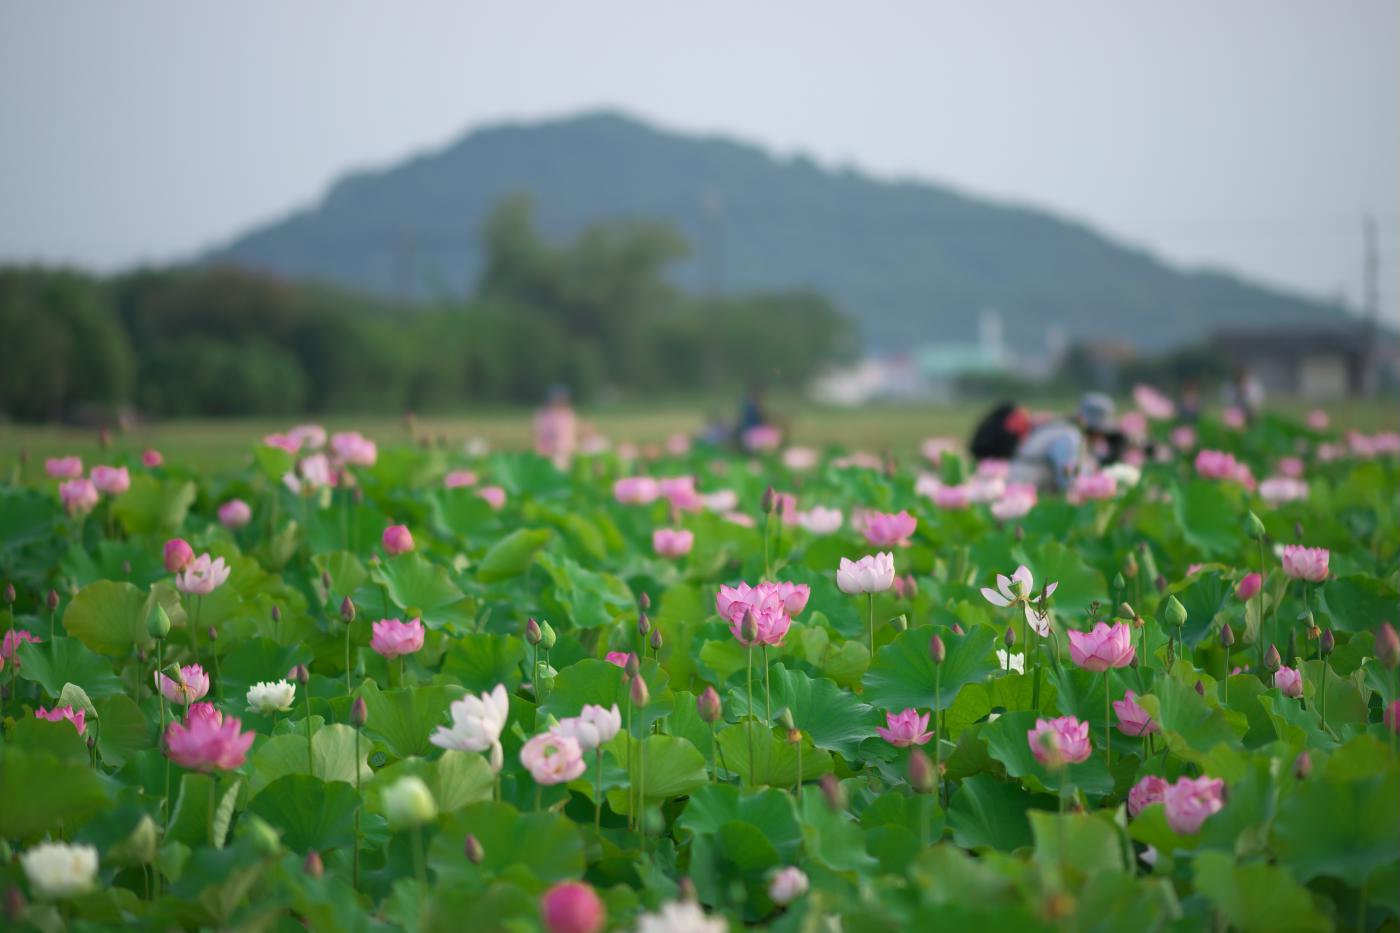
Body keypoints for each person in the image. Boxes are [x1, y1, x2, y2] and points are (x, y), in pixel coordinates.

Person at [1008, 393, 1116, 493]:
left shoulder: (1057, 427)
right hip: (1025, 492)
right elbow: (1069, 480)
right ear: (1096, 430)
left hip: (1015, 487)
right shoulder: (1070, 437)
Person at [533, 384, 577, 466]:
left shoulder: (568, 414)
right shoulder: (544, 414)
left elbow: (570, 437)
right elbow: (541, 435)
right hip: (548, 454)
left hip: (565, 453)